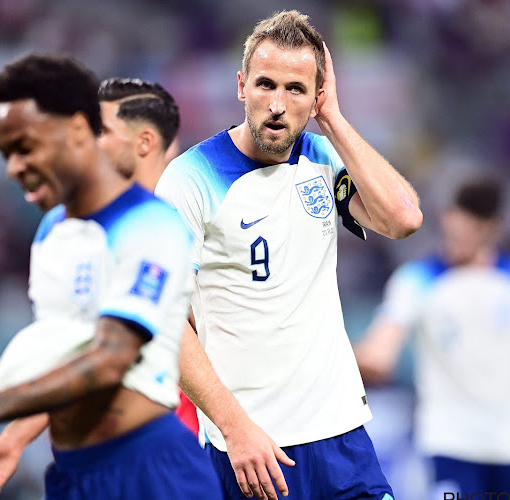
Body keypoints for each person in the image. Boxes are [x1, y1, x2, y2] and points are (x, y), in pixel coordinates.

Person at [0, 53, 223, 500]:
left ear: (78, 132)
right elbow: (60, 348)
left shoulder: (154, 225)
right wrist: (0, 424)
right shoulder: (53, 232)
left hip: (150, 470)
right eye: (5, 153)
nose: (13, 167)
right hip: (72, 474)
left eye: (26, 147)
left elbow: (110, 357)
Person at [154, 10, 422, 500]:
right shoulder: (189, 179)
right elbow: (165, 320)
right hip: (255, 449)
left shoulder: (322, 158)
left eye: (296, 89)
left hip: (341, 436)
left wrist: (335, 120)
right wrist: (235, 429)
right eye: (265, 85)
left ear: (316, 95)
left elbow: (402, 219)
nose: (277, 104)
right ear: (241, 86)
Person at [0, 76, 199, 495]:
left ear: (144, 142)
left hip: (178, 456)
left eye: (99, 131)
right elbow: (77, 356)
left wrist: (237, 431)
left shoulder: (188, 224)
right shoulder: (69, 230)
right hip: (91, 465)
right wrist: (15, 437)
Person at [354, 177, 510, 498]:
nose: (456, 239)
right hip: (449, 441)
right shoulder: (417, 280)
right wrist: (361, 360)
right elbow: (382, 347)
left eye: (467, 230)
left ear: (492, 227)